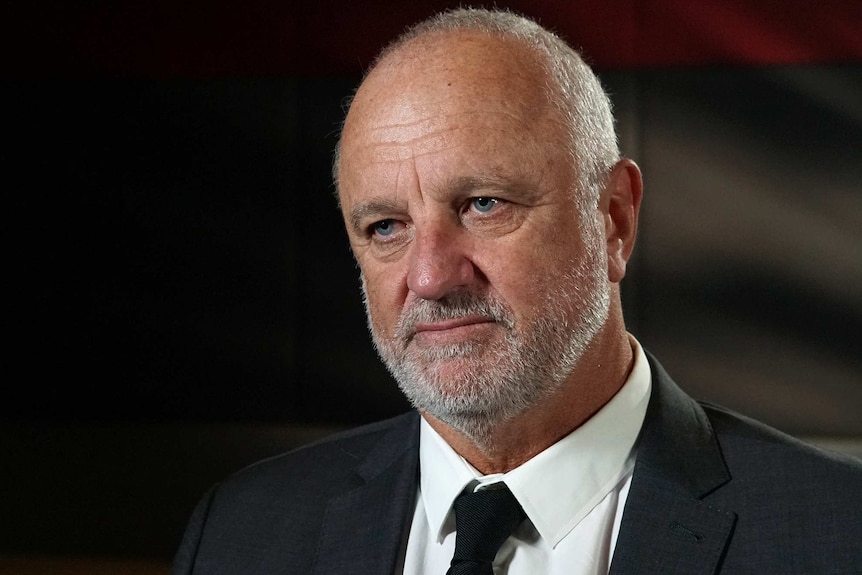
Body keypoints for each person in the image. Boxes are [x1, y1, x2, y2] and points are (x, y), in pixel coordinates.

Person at [174, 8, 861, 574]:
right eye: (386, 226)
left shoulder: (835, 538)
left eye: (483, 204)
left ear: (614, 219)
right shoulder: (242, 536)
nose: (433, 276)